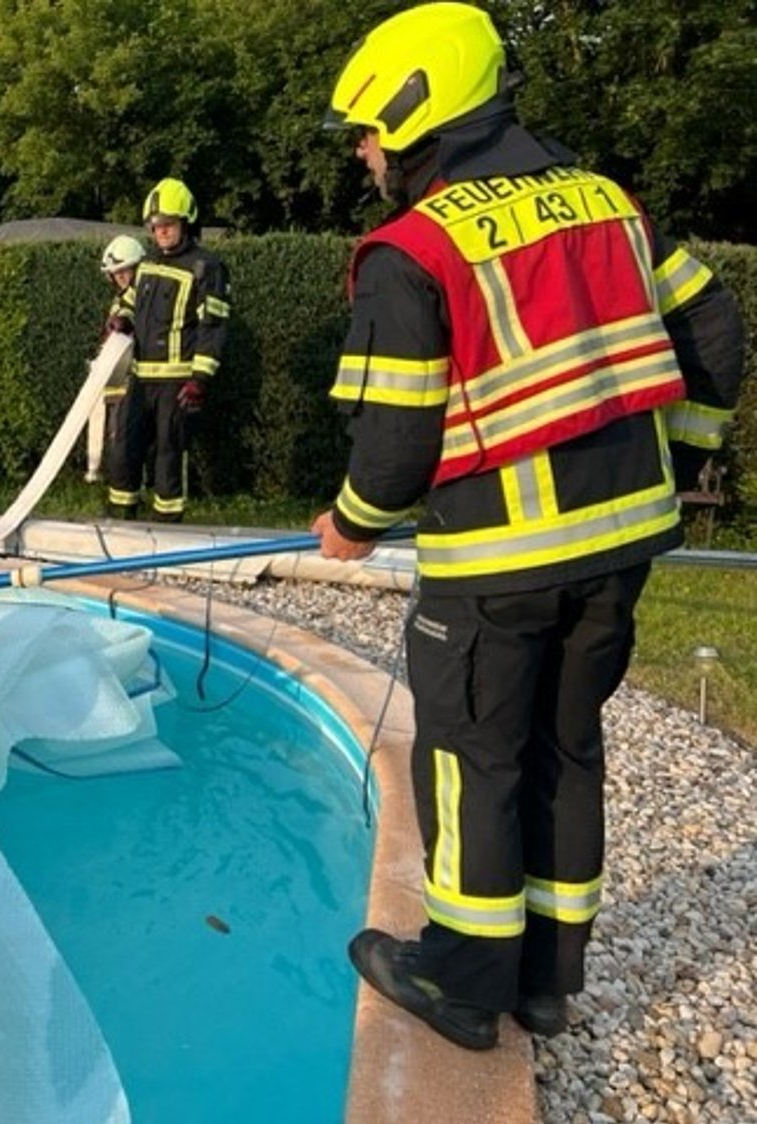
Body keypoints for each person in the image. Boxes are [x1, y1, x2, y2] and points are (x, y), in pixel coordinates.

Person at [312, 2, 746, 1051]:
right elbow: (717, 330)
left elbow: (398, 440)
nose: (366, 155)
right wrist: (679, 459)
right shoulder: (606, 202)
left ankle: (461, 982)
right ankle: (548, 984)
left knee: (471, 761)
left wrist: (353, 525)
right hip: (622, 551)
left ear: (416, 114)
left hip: (498, 562)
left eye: (368, 134)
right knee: (565, 747)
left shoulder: (413, 249)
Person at [105, 178, 230, 521]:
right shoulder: (147, 265)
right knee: (123, 449)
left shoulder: (207, 267)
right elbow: (127, 302)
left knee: (169, 453)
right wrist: (120, 322)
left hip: (177, 383)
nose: (161, 232)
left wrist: (200, 380)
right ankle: (121, 515)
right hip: (140, 378)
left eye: (168, 225)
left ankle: (167, 525)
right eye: (155, 226)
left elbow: (213, 326)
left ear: (185, 222)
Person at [85, 234, 145, 484]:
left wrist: (123, 323)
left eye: (124, 271)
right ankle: (110, 476)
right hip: (121, 378)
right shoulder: (121, 298)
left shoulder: (142, 294)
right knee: (117, 434)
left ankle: (135, 483)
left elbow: (129, 318)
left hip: (140, 378)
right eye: (115, 273)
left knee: (132, 435)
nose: (119, 277)